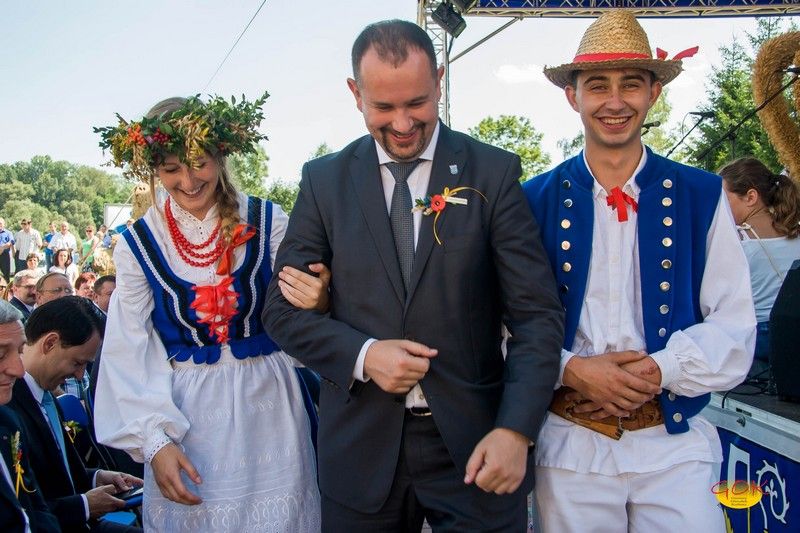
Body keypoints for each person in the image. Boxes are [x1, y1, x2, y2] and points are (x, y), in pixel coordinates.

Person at [263, 19, 563, 531]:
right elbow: (281, 313)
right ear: (355, 94)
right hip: (360, 450)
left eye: (417, 103)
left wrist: (516, 430)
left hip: (477, 445)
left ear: (440, 82)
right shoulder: (323, 181)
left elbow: (536, 316)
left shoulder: (492, 173)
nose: (402, 124)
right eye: (383, 107)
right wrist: (364, 355)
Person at [522, 11, 756, 532]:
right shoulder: (532, 200)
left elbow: (734, 327)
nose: (615, 101)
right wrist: (571, 369)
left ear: (653, 93)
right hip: (572, 446)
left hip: (674, 446)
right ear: (572, 96)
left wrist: (660, 369)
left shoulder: (701, 194)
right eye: (597, 85)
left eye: (630, 84)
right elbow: (501, 322)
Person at [94, 93, 324, 532]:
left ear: (220, 155)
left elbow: (304, 314)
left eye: (199, 163)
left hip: (270, 408)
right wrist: (155, 442)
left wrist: (320, 299)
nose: (188, 180)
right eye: (171, 169)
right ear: (153, 171)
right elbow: (127, 351)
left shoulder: (268, 220)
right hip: (185, 420)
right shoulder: (138, 244)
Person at [8, 297, 142, 532]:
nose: (80, 376)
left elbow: (58, 474)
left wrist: (96, 477)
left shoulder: (45, 395)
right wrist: (84, 506)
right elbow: (21, 507)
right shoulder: (9, 406)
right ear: (50, 343)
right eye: (77, 363)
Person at [718, 157, 800, 368]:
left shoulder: (737, 239)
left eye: (723, 199)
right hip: (794, 333)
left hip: (759, 338)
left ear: (751, 197)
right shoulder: (794, 232)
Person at [0, 300, 62, 533]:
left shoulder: (8, 423)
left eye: (19, 352)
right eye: (0, 354)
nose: (18, 370)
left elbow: (36, 508)